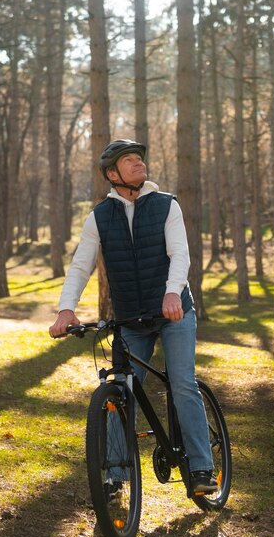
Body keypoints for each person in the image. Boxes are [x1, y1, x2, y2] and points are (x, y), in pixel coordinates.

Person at [49, 138, 217, 495]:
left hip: (174, 312)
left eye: (139, 158)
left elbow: (180, 255)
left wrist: (173, 292)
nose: (139, 163)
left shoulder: (165, 205)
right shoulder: (100, 217)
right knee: (119, 391)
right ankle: (114, 473)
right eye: (129, 160)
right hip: (130, 319)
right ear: (113, 174)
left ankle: (203, 467)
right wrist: (66, 308)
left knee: (182, 383)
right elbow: (80, 266)